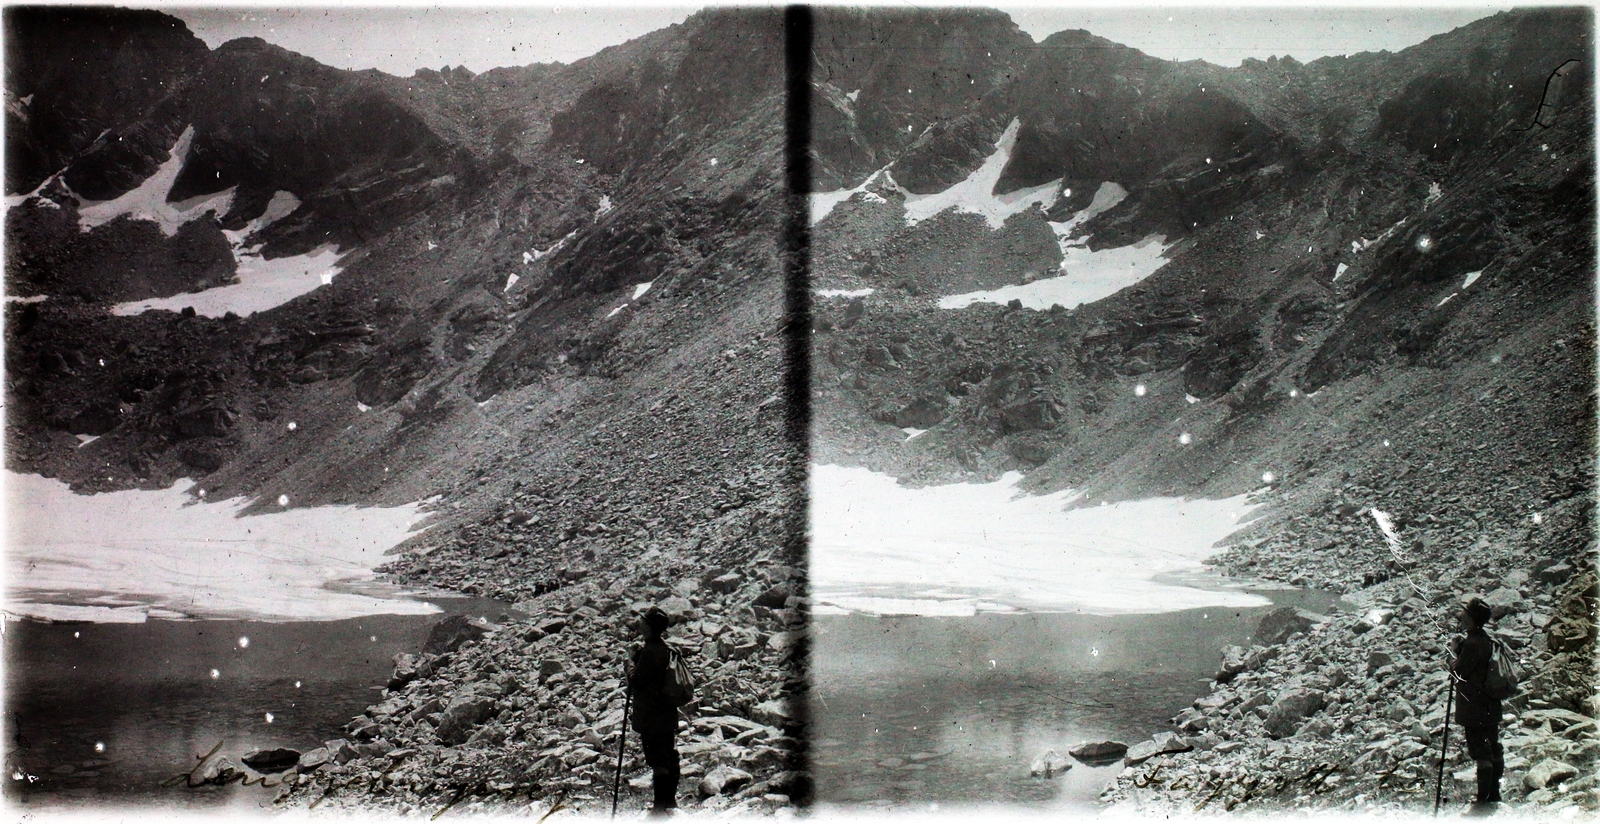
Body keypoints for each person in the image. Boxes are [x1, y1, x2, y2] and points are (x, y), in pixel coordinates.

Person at [1449, 597, 1503, 808]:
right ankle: (1494, 794)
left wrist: (1453, 655)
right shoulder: (1486, 640)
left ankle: (1482, 800)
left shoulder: (1471, 644)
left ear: (1471, 620)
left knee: (1480, 751)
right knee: (1493, 747)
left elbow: (1459, 673)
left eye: (1465, 614)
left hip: (1474, 707)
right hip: (1491, 704)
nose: (1460, 617)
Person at [629, 606, 680, 814]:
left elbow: (636, 681)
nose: (639, 623)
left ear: (649, 627)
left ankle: (659, 809)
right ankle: (669, 801)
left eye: (643, 621)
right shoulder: (664, 648)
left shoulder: (650, 652)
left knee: (658, 760)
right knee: (669, 755)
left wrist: (630, 662)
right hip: (666, 713)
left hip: (651, 716)